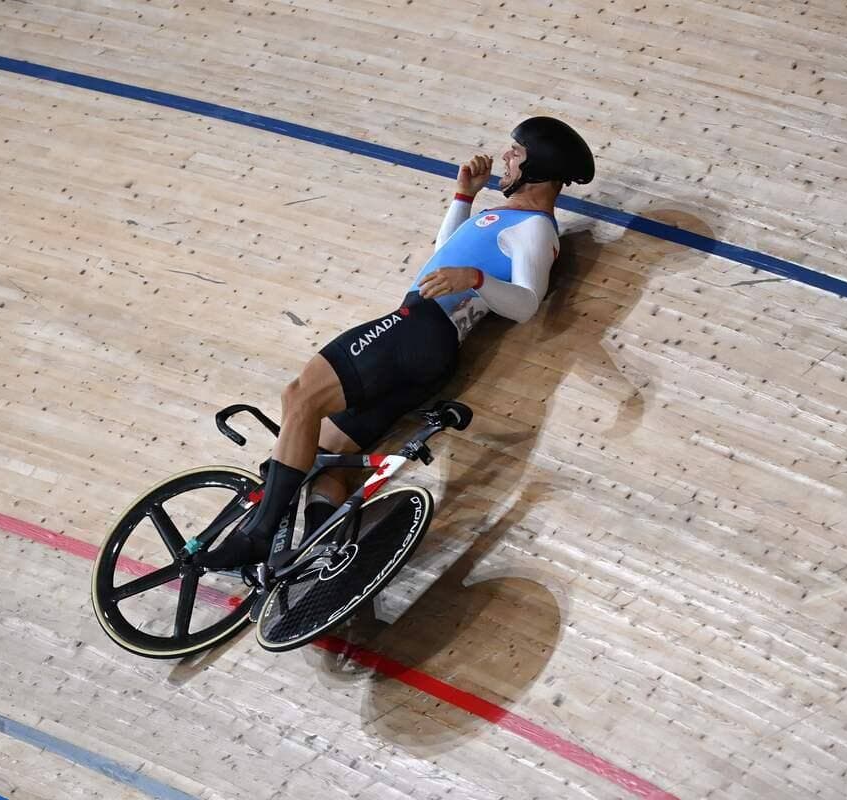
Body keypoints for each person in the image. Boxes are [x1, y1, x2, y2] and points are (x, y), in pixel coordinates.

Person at [200, 117, 595, 569]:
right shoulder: (507, 217)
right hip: (424, 347)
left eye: (516, 153)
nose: (506, 157)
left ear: (539, 167)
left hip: (415, 329)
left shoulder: (536, 229)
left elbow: (527, 302)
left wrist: (477, 279)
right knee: (327, 455)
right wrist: (463, 197)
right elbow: (441, 257)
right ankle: (320, 557)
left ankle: (258, 537)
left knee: (299, 397)